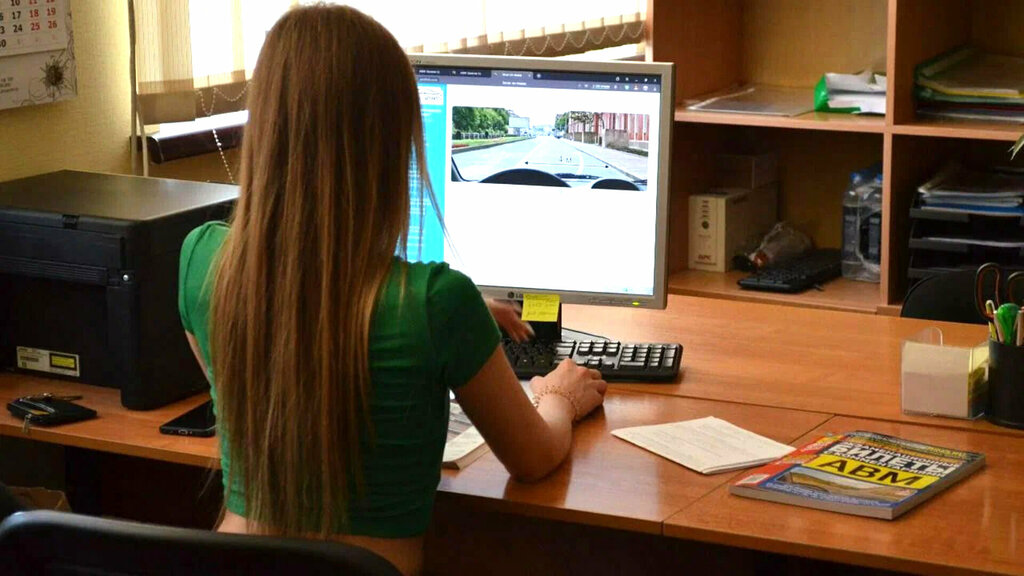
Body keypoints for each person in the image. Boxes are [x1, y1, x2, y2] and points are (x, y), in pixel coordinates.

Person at [176, 5, 607, 575]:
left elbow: (253, 379)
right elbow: (532, 460)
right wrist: (559, 397)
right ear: (388, 143)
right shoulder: (438, 303)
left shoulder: (202, 260)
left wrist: (419, 310)